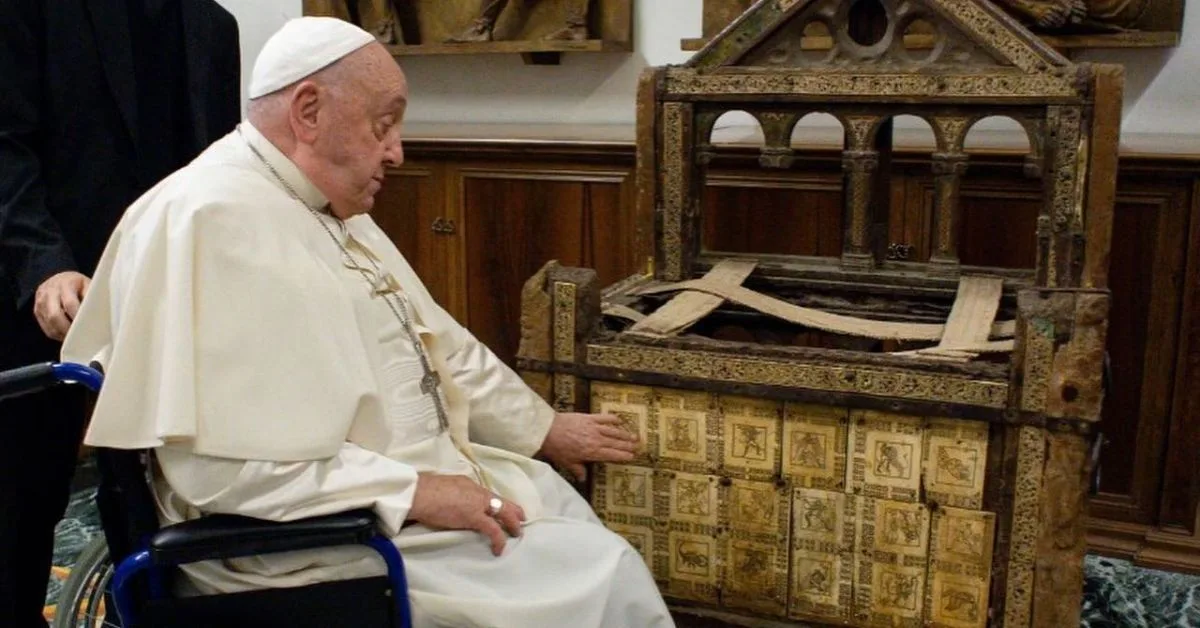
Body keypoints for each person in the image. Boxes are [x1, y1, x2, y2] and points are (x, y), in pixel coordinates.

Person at [61, 16, 676, 628]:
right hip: (298, 543)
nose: (397, 152)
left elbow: (439, 343)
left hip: (376, 493)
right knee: (593, 579)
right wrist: (417, 492)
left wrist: (542, 430)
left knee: (563, 512)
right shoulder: (207, 219)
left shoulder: (321, 200)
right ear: (308, 111)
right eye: (383, 126)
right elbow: (222, 472)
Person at [0, 2, 240, 626]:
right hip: (35, 298)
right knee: (21, 506)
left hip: (164, 304)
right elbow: (6, 150)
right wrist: (45, 267)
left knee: (159, 503)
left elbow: (220, 174)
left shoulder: (215, 27)